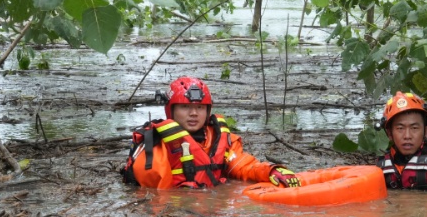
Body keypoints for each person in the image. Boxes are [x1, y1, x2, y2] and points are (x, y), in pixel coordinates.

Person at [120, 77, 301, 189]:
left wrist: (271, 171)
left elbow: (242, 165)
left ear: (208, 111)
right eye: (185, 107)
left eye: (200, 108)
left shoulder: (219, 139)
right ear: (171, 110)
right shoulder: (158, 147)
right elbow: (156, 195)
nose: (193, 114)